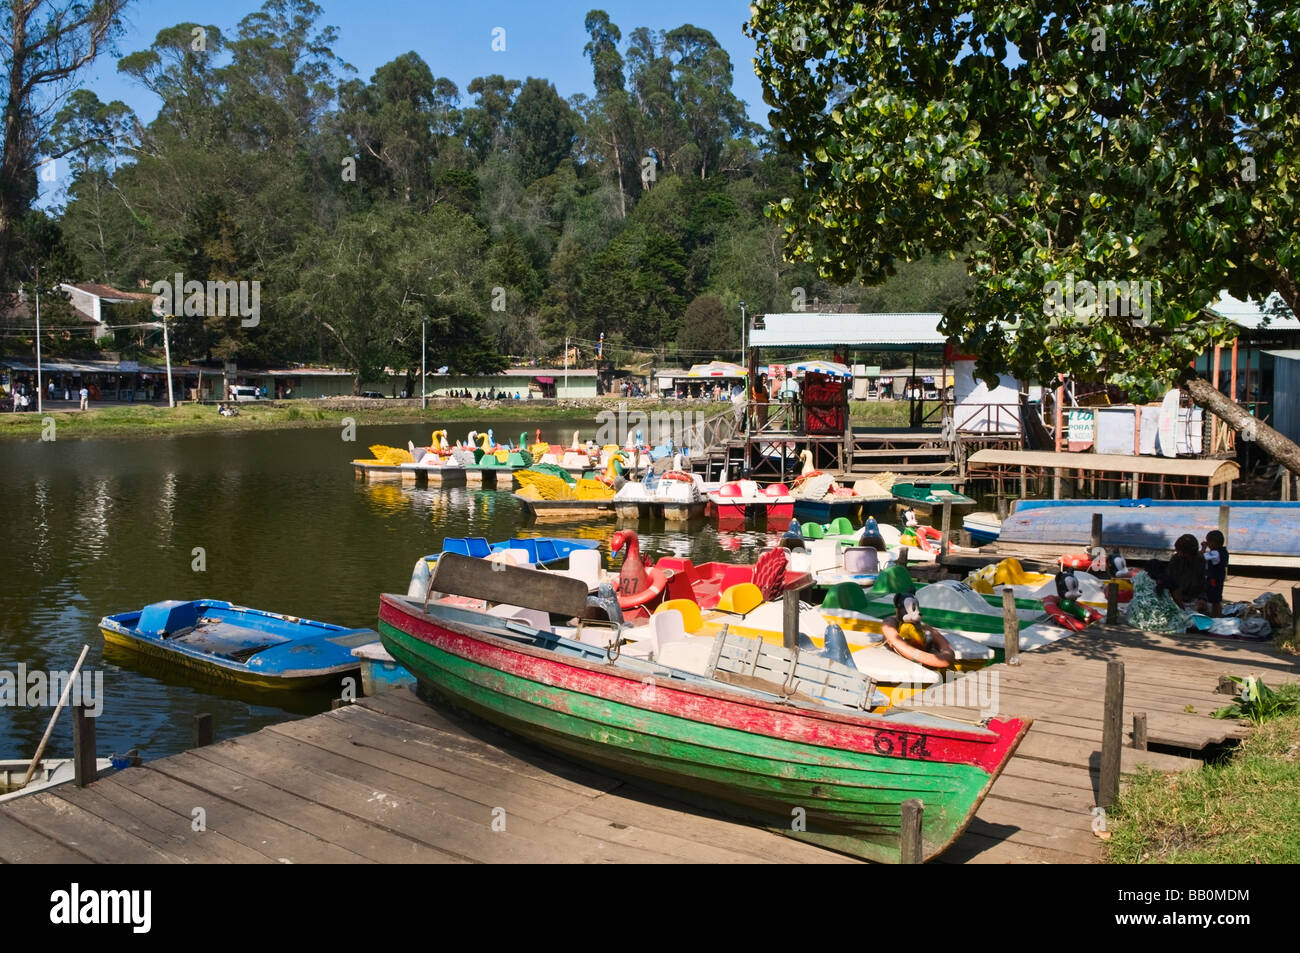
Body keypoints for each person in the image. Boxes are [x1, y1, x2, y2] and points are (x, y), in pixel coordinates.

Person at [880, 591, 955, 668]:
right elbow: (914, 641)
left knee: (927, 636)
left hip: (918, 648)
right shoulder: (907, 627)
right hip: (914, 648)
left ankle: (922, 652)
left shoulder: (915, 625)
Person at [1156, 533, 1204, 609]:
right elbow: (1170, 580)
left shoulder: (1200, 561)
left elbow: (1203, 583)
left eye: (1180, 551)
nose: (1179, 554)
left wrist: (1202, 598)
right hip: (1177, 597)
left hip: (1194, 598)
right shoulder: (1176, 559)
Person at [1201, 530, 1229, 616]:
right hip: (1218, 577)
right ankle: (1217, 614)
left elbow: (1201, 557)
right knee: (1216, 598)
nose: (1208, 544)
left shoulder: (1216, 553)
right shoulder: (1223, 551)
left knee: (1214, 597)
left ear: (1214, 542)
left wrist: (1203, 548)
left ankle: (1215, 615)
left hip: (1214, 579)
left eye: (1208, 542)